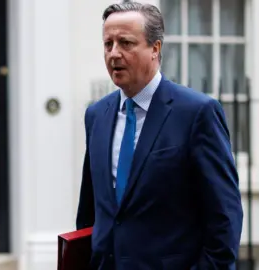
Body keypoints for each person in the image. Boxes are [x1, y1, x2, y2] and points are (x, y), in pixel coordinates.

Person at [75, 2, 244, 270]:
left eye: (126, 43)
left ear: (155, 48)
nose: (114, 53)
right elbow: (90, 211)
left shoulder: (197, 113)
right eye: (108, 44)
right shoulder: (96, 115)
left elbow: (224, 217)